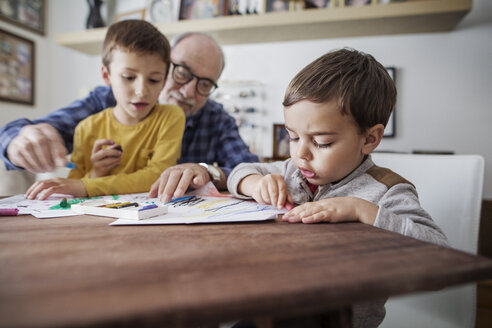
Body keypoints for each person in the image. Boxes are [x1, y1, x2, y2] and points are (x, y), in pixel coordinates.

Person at [227, 48, 448, 327]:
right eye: (293, 137)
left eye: (322, 142)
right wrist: (255, 182)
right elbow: (240, 172)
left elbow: (440, 259)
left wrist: (362, 211)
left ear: (369, 139)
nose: (301, 154)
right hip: (272, 308)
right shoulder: (292, 172)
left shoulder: (387, 191)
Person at [0, 32, 258, 202]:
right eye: (182, 73)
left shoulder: (215, 117)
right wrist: (17, 140)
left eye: (204, 84)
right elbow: (31, 131)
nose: (189, 90)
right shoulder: (106, 101)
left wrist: (205, 170)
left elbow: (248, 169)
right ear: (164, 65)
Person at [25, 20, 185, 200]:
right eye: (129, 77)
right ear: (106, 76)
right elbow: (75, 186)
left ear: (164, 81)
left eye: (154, 80)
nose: (142, 91)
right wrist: (96, 173)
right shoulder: (86, 128)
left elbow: (157, 175)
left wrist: (88, 184)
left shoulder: (171, 116)